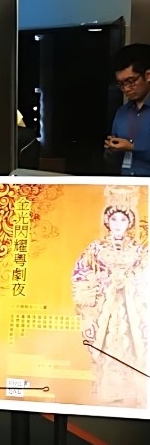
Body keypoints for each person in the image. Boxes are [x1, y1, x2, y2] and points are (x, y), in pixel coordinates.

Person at [72, 185, 148, 408]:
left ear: (130, 222)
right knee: (105, 344)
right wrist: (101, 283)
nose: (118, 224)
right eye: (114, 219)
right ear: (107, 221)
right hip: (104, 306)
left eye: (123, 220)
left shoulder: (138, 250)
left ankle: (132, 392)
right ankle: (108, 390)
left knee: (132, 344)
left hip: (131, 308)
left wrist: (130, 282)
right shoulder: (96, 249)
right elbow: (81, 273)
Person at [104, 43, 150, 175]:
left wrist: (133, 147)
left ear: (148, 75)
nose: (126, 88)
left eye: (131, 81)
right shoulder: (122, 113)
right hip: (126, 182)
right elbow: (112, 161)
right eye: (121, 84)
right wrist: (111, 149)